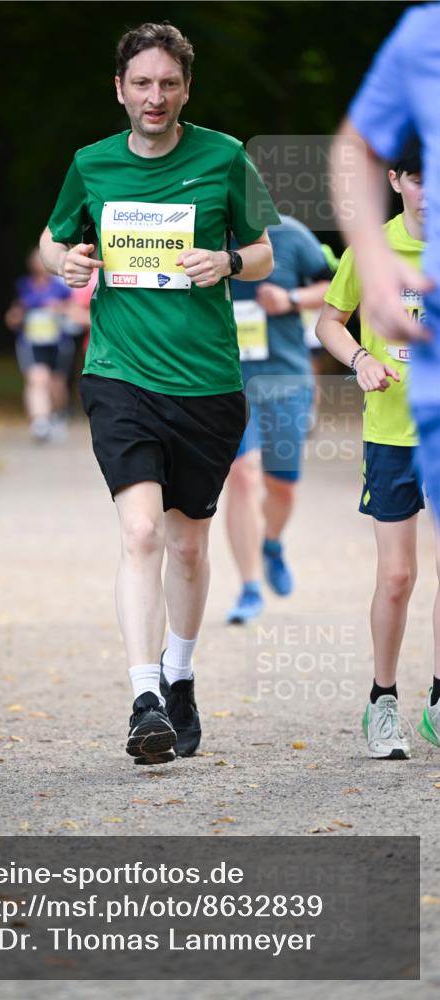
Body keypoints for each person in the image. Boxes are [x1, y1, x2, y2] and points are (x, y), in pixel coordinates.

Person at [39, 22, 279, 763]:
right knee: (141, 533)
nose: (154, 96)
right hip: (119, 373)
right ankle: (145, 699)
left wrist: (227, 261)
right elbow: (53, 239)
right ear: (119, 89)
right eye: (141, 83)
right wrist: (64, 263)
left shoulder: (224, 156)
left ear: (185, 90)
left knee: (187, 545)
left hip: (206, 382)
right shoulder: (91, 164)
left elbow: (264, 253)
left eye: (168, 83)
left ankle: (179, 674)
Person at [331, 3, 440, 753]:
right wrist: (360, 358)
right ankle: (382, 699)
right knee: (397, 577)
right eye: (417, 179)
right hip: (393, 433)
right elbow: (328, 321)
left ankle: (439, 699)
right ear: (396, 179)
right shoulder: (372, 247)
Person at [224, 217, 333, 623]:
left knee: (282, 487)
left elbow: (334, 288)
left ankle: (271, 543)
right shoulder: (201, 233)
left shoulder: (290, 234)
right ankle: (249, 588)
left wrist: (290, 299)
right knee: (242, 475)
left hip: (286, 379)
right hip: (227, 381)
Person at [5, 248, 74, 443]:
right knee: (37, 378)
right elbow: (14, 314)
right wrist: (16, 317)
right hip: (31, 342)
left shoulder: (61, 287)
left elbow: (74, 311)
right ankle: (40, 423)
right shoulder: (23, 286)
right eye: (36, 260)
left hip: (58, 342)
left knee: (56, 385)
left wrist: (59, 309)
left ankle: (58, 415)